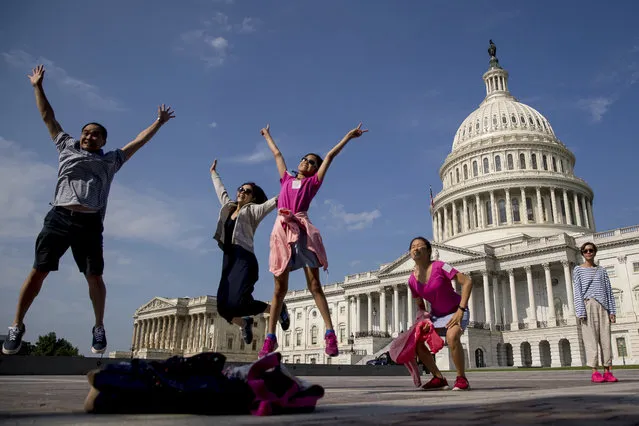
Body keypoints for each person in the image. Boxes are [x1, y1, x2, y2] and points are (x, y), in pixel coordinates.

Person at [2, 65, 175, 356]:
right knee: (38, 272)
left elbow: (139, 142)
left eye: (95, 134)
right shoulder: (66, 147)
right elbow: (48, 117)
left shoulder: (111, 160)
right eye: (85, 133)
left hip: (90, 223)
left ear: (103, 141)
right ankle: (17, 325)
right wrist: (37, 87)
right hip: (58, 217)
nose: (88, 137)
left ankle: (98, 326)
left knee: (94, 277)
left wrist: (158, 123)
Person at [258, 122, 368, 358]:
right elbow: (277, 154)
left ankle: (330, 333)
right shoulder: (286, 179)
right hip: (281, 229)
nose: (306, 162)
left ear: (315, 169)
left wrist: (348, 136)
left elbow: (330, 155)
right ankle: (270, 338)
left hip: (302, 227)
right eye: (305, 159)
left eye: (312, 162)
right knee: (279, 289)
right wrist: (267, 134)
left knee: (314, 285)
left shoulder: (313, 182)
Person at [209, 160, 290, 344]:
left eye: (247, 191)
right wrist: (213, 173)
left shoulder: (254, 210)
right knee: (222, 307)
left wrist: (291, 185)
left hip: (244, 258)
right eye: (240, 189)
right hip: (229, 259)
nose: (242, 192)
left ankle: (276, 309)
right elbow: (220, 191)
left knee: (239, 301)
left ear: (253, 197)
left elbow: (275, 201)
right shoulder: (229, 207)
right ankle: (244, 323)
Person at [408, 236, 473, 391]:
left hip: (456, 310)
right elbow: (420, 305)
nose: (416, 248)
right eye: (413, 247)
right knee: (416, 343)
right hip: (436, 316)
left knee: (452, 337)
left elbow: (467, 281)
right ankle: (438, 378)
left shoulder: (441, 266)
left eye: (420, 246)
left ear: (429, 250)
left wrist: (461, 310)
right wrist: (424, 320)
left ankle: (461, 378)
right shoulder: (411, 281)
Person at [573, 242, 618, 383]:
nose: (588, 253)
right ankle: (595, 371)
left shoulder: (602, 270)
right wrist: (580, 312)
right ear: (582, 253)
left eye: (591, 250)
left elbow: (609, 292)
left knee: (605, 340)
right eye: (585, 251)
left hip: (603, 306)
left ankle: (608, 371)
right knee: (591, 340)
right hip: (588, 305)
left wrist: (612, 311)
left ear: (595, 252)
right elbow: (577, 292)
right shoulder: (578, 270)